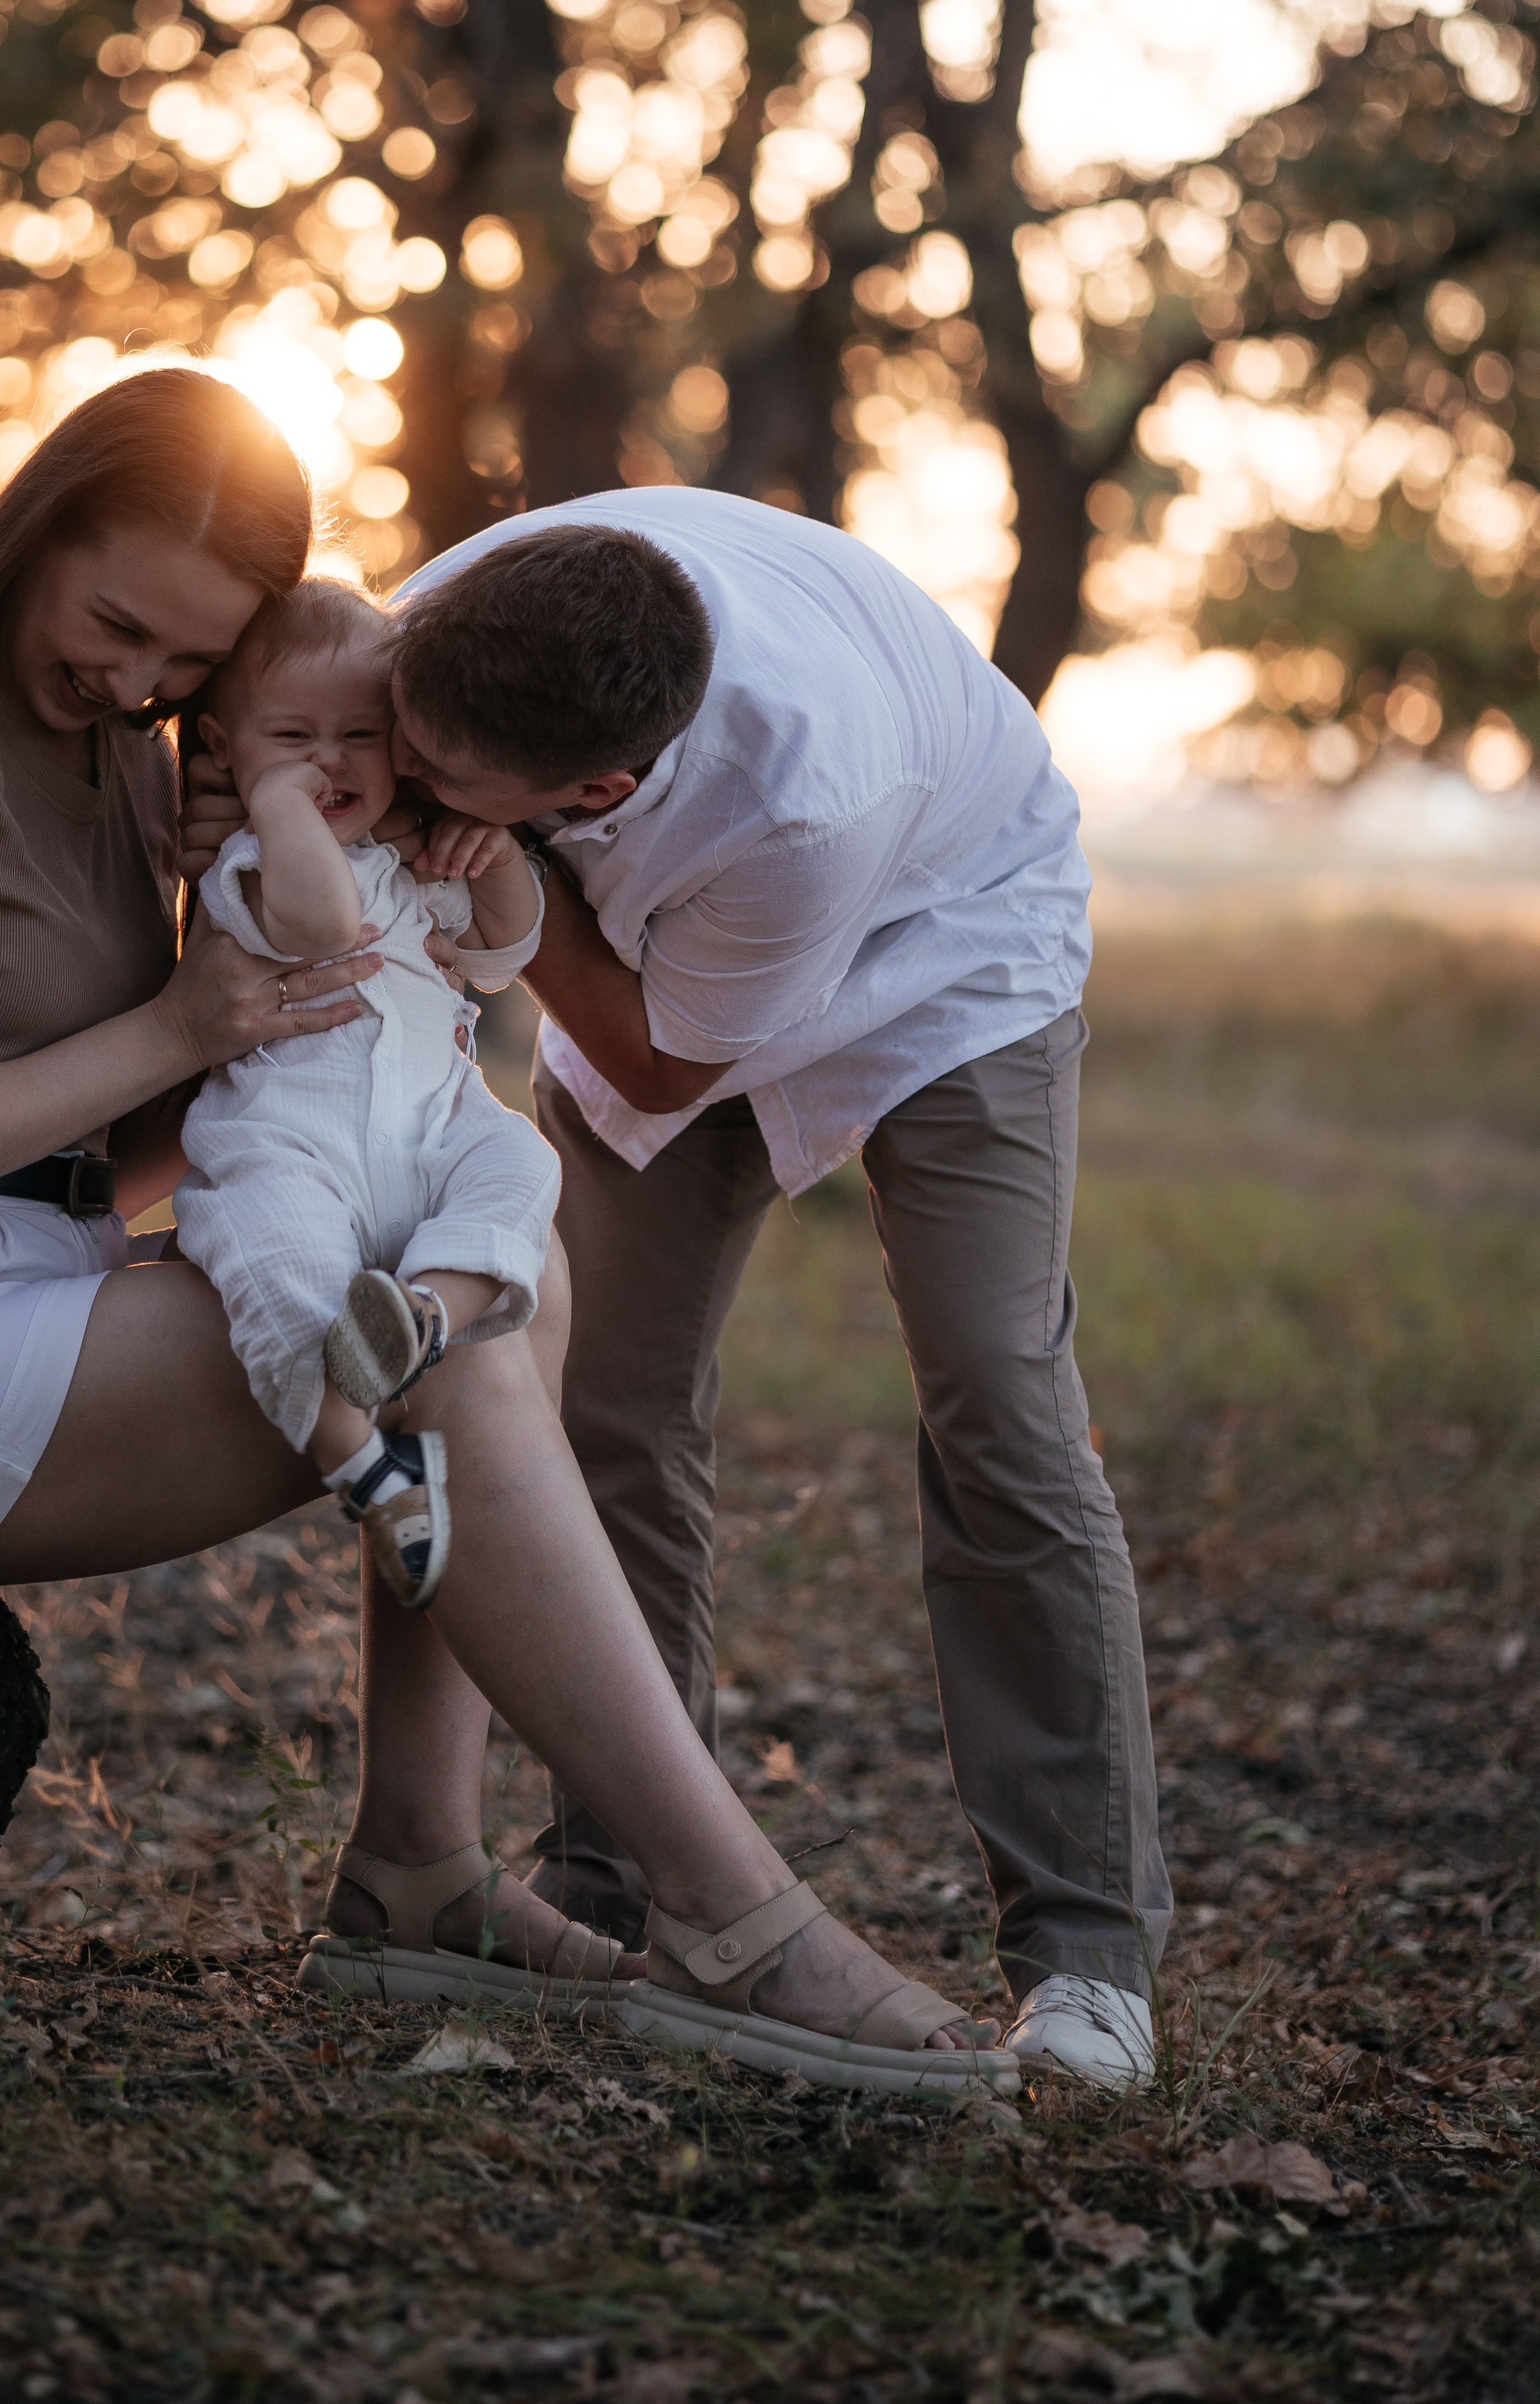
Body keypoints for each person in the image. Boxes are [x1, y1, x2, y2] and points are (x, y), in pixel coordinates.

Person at [0, 370, 1018, 2098]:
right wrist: (189, 1019)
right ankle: (730, 1910)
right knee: (435, 1354)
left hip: (33, 1280)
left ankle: (418, 1872)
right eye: (116, 624)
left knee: (488, 1302)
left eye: (188, 666)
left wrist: (322, 1020)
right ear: (36, 530)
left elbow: (129, 1138)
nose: (138, 683)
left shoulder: (128, 764)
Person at [375, 492, 1173, 2090]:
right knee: (595, 1400)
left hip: (941, 948)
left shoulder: (803, 791)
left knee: (995, 1399)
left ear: (591, 793)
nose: (407, 800)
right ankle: (622, 1881)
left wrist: (518, 909)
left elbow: (664, 1050)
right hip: (653, 936)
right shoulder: (438, 632)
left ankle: (1085, 1961)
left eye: (444, 793)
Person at [178, 576, 561, 1607]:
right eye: (293, 736)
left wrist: (495, 853)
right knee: (277, 1267)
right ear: (224, 746)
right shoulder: (253, 863)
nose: (330, 761)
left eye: (361, 734)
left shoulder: (420, 863)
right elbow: (316, 925)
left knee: (523, 1159)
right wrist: (276, 804)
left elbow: (502, 955)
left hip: (434, 1139)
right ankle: (362, 1463)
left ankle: (424, 1315)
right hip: (286, 1148)